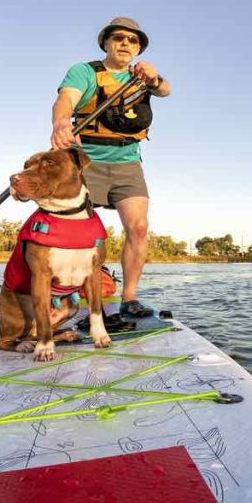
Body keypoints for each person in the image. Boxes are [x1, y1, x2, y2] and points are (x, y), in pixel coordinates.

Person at [50, 16, 171, 317]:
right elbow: (66, 99)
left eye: (133, 40)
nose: (125, 44)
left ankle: (129, 297)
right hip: (86, 161)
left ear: (139, 48)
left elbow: (165, 90)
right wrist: (61, 122)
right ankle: (62, 293)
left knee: (139, 227)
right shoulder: (85, 72)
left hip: (127, 162)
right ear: (106, 42)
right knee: (73, 231)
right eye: (118, 38)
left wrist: (154, 79)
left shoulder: (141, 77)